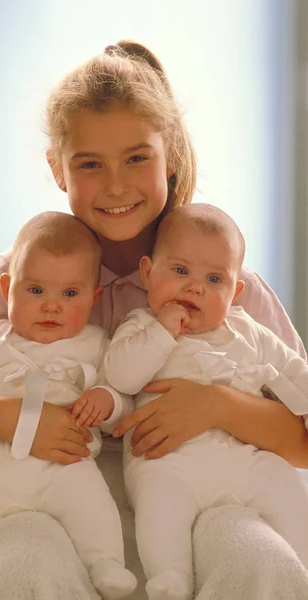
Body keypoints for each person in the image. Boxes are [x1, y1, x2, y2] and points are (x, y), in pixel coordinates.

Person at [0, 40, 308, 600]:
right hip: (41, 500)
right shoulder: (19, 282)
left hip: (200, 502)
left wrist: (217, 405)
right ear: (57, 168)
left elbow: (301, 441)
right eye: (89, 164)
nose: (116, 185)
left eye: (137, 158)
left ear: (169, 154)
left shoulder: (227, 286)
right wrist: (17, 417)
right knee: (21, 560)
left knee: (260, 559)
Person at [0, 212, 137, 600]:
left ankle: (106, 566)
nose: (52, 307)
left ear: (93, 297)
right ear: (7, 287)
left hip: (63, 465)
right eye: (35, 291)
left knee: (92, 502)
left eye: (70, 294)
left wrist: (107, 401)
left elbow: (124, 394)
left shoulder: (98, 344)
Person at [104, 203, 308, 600]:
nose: (194, 287)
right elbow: (121, 376)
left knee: (288, 488)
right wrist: (163, 331)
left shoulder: (249, 330)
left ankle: (300, 566)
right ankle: (169, 576)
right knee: (158, 504)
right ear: (149, 273)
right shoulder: (142, 325)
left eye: (214, 279)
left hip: (245, 458)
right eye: (180, 271)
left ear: (235, 293)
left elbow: (294, 368)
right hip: (169, 460)